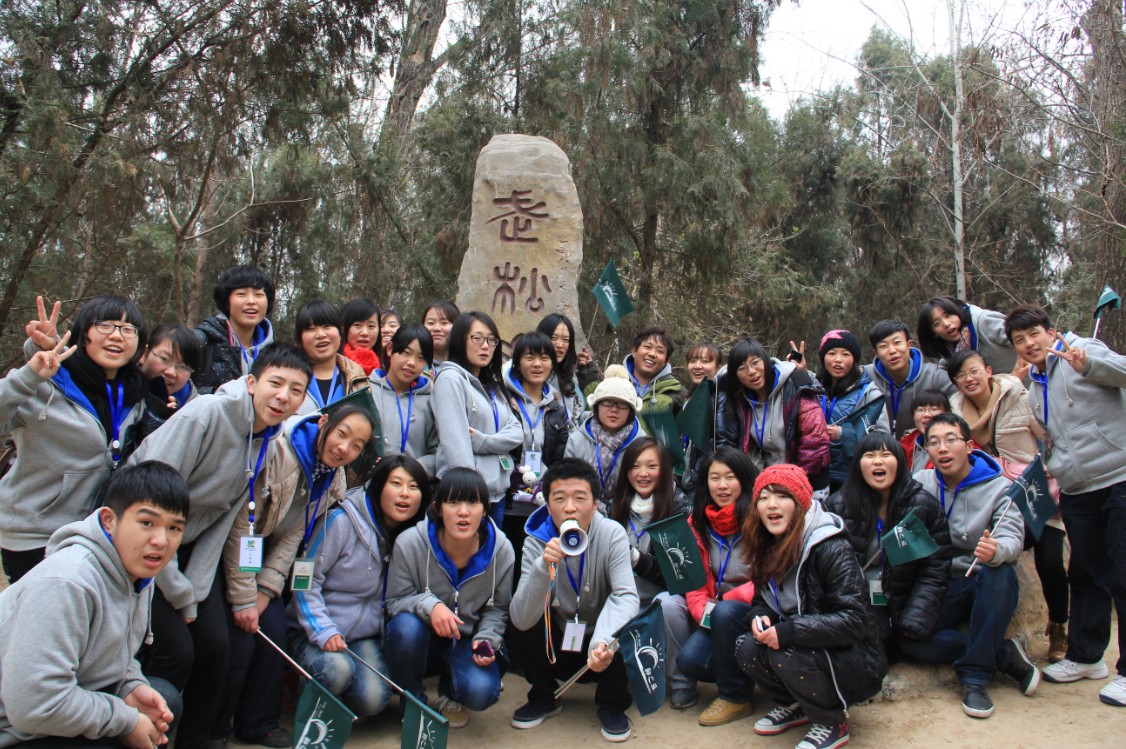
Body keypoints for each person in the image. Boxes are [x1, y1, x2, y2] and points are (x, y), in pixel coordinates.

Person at [126, 344, 310, 749]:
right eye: (276, 383)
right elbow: (150, 497)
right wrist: (177, 588)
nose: (283, 396)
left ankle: (198, 741)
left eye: (296, 390)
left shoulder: (265, 439)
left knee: (216, 647)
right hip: (138, 545)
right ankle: (145, 736)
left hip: (189, 550)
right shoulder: (207, 415)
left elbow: (223, 517)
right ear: (251, 382)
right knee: (176, 650)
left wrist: (194, 587)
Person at [211, 404, 375, 747]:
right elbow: (243, 528)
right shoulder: (279, 452)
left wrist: (267, 588)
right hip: (228, 553)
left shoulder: (332, 478)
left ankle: (259, 723)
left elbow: (294, 535)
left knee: (272, 629)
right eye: (342, 434)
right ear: (324, 422)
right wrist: (244, 597)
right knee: (238, 640)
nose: (344, 448)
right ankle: (214, 728)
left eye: (356, 446)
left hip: (265, 559)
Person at [0, 461, 188, 748]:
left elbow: (115, 653)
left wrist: (130, 685)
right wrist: (125, 720)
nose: (161, 540)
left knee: (164, 702)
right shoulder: (67, 583)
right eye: (147, 523)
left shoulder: (138, 572)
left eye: (174, 527)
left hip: (62, 702)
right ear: (109, 520)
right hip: (16, 726)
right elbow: (33, 705)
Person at [1005, 305, 1126, 706]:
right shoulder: (1035, 384)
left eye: (1034, 335)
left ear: (1051, 332)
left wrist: (1089, 364)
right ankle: (1087, 657)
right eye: (1020, 340)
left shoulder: (1082, 350)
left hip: (1117, 477)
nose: (1029, 344)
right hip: (1076, 488)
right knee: (1085, 573)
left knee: (1123, 573)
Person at [736, 464, 887, 749]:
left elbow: (855, 620)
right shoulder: (767, 542)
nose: (771, 505)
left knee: (785, 653)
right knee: (747, 647)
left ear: (801, 502)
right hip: (806, 646)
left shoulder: (830, 546)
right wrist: (760, 616)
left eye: (782, 496)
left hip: (851, 656)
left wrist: (790, 631)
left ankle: (832, 722)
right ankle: (798, 705)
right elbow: (762, 599)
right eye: (764, 498)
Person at [1, 294, 148, 582]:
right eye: (105, 325)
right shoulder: (47, 383)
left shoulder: (135, 394)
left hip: (95, 535)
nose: (117, 335)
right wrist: (28, 376)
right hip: (36, 536)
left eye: (128, 329)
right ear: (83, 334)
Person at [902, 413, 1036, 718]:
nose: (942, 449)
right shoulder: (919, 484)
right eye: (934, 442)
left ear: (969, 445)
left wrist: (996, 550)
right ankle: (1002, 654)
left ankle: (975, 677)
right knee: (909, 638)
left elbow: (1011, 537)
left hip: (979, 577)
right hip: (938, 583)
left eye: (951, 440)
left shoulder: (999, 488)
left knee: (1000, 573)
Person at [946, 348, 1068, 662]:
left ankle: (1058, 626)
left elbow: (1050, 435)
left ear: (988, 371)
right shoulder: (957, 413)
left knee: (1051, 561)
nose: (968, 379)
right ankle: (995, 632)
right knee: (996, 557)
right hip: (997, 498)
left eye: (973, 371)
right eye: (960, 375)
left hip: (1035, 490)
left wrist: (1052, 468)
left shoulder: (1018, 397)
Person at [289, 455, 431, 719]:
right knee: (336, 671)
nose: (405, 494)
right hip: (315, 629)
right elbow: (304, 579)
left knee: (373, 700)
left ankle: (336, 692)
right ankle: (307, 691)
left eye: (413, 487)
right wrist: (323, 629)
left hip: (363, 637)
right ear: (377, 486)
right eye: (396, 483)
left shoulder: (414, 538)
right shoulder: (341, 521)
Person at [508, 458, 639, 743]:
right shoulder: (536, 540)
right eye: (559, 499)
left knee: (632, 624)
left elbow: (625, 596)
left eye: (580, 498)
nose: (570, 507)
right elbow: (521, 616)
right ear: (547, 505)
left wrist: (603, 642)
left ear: (595, 504)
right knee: (518, 621)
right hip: (559, 645)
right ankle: (543, 695)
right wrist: (543, 567)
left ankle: (612, 704)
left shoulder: (612, 534)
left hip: (602, 648)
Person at [384, 468, 514, 728]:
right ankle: (413, 700)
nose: (463, 512)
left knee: (482, 692)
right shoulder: (410, 543)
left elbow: (498, 609)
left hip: (465, 639)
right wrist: (430, 605)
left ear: (485, 509)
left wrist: (486, 638)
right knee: (405, 628)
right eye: (453, 502)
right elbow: (394, 602)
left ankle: (451, 690)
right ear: (438, 508)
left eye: (473, 503)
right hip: (419, 638)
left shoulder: (501, 550)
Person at [823, 433, 951, 650]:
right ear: (858, 465)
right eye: (869, 455)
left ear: (899, 462)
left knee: (915, 644)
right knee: (871, 640)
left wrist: (915, 615)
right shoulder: (837, 506)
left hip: (905, 597)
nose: (878, 461)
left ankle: (992, 654)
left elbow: (935, 568)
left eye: (886, 455)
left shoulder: (922, 505)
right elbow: (827, 568)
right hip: (858, 600)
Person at [607, 438, 693, 707]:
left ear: (664, 469)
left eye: (651, 466)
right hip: (623, 598)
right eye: (635, 466)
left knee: (668, 604)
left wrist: (636, 558)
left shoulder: (680, 508)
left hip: (661, 597)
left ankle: (681, 681)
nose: (642, 473)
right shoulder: (613, 507)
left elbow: (676, 575)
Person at [676, 448, 759, 725]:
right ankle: (743, 674)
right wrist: (704, 612)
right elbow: (695, 581)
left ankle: (734, 696)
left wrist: (732, 599)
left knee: (725, 613)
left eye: (730, 477)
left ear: (744, 479)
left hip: (757, 608)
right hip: (718, 612)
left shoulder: (759, 517)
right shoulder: (697, 521)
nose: (722, 486)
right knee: (690, 660)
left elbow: (772, 574)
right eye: (715, 478)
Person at [432, 311, 522, 526]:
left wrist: (482, 441)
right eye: (477, 338)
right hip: (467, 497)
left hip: (498, 495)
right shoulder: (450, 380)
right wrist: (472, 496)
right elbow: (457, 447)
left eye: (491, 340)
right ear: (460, 339)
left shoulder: (492, 385)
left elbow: (517, 432)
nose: (485, 346)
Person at [717, 338, 830, 491]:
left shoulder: (796, 385)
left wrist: (793, 483)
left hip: (805, 481)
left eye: (755, 362)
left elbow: (815, 441)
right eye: (742, 368)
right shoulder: (742, 400)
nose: (751, 372)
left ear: (766, 360)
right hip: (767, 481)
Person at [503, 331, 569, 562]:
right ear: (517, 363)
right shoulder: (504, 401)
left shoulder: (557, 410)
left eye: (544, 358)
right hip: (508, 498)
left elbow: (559, 457)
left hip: (542, 499)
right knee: (509, 561)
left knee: (539, 563)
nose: (537, 364)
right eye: (529, 357)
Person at [815, 330, 890, 491]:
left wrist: (843, 433)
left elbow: (882, 438)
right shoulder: (813, 389)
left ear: (854, 359)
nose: (838, 360)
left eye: (845, 354)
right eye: (832, 353)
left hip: (854, 478)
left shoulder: (870, 394)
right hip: (817, 476)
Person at [564, 366, 647, 502]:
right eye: (607, 402)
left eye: (623, 404)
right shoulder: (577, 440)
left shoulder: (642, 445)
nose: (614, 409)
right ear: (597, 406)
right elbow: (567, 483)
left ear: (631, 410)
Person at [368, 324, 439, 477]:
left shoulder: (431, 399)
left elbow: (438, 452)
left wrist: (410, 469)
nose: (412, 362)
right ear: (390, 349)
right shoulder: (368, 391)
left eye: (421, 358)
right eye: (406, 353)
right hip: (371, 484)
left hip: (415, 485)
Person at [864, 319, 956, 437]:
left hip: (923, 444)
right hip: (880, 445)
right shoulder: (866, 376)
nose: (892, 351)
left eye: (897, 343)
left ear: (909, 345)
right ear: (876, 353)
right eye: (883, 346)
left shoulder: (934, 376)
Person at [194, 265, 276, 395]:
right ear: (227, 301)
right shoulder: (202, 340)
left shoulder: (273, 352)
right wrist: (220, 396)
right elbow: (183, 391)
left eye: (259, 294)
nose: (251, 301)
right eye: (241, 294)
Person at [293, 300, 367, 414]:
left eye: (327, 326)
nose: (321, 334)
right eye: (311, 329)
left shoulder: (357, 375)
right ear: (300, 338)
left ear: (340, 332)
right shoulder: (288, 374)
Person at [918, 296, 1017, 374]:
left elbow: (1023, 340)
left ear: (957, 312)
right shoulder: (949, 358)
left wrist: (1016, 376)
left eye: (948, 315)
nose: (946, 324)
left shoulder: (985, 321)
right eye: (937, 323)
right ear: (934, 333)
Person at [536, 313, 597, 429]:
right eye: (554, 338)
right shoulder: (529, 379)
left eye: (565, 340)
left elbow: (579, 419)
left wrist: (589, 379)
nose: (560, 345)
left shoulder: (570, 381)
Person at [621, 326, 685, 435]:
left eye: (660, 351)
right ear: (634, 351)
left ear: (666, 361)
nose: (652, 354)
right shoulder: (614, 382)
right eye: (647, 347)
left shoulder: (676, 392)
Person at [899, 390, 952, 474]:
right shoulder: (905, 445)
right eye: (920, 410)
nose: (927, 415)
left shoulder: (958, 444)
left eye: (934, 409)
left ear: (947, 413)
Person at [339, 298, 381, 375]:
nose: (365, 333)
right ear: (343, 329)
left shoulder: (385, 371)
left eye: (371, 326)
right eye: (357, 325)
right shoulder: (333, 365)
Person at [422, 300, 460, 370]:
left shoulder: (467, 365)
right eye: (430, 323)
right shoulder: (416, 366)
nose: (436, 328)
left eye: (444, 323)